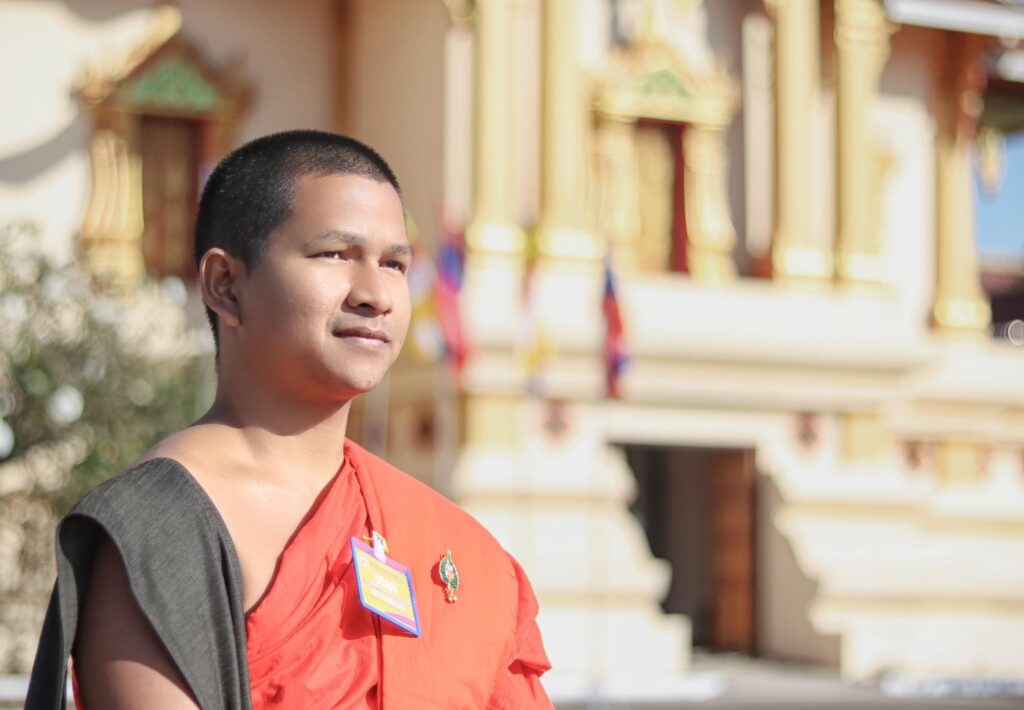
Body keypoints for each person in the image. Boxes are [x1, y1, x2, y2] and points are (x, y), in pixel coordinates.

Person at [26, 130, 553, 709]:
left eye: (395, 264)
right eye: (334, 254)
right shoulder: (160, 528)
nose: (376, 294)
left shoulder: (458, 550)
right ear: (226, 285)